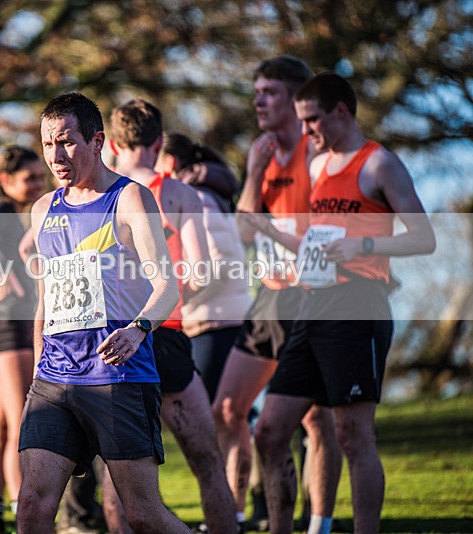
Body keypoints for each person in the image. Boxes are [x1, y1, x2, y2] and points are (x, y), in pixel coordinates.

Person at [252, 72, 435, 534]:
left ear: (341, 111)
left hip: (358, 304)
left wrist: (367, 249)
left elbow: (424, 237)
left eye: (312, 120)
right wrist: (272, 231)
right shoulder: (316, 166)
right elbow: (322, 241)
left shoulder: (380, 165)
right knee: (270, 432)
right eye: (301, 121)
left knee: (353, 435)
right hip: (312, 304)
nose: (307, 131)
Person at [16, 92, 189, 534]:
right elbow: (46, 298)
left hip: (118, 375)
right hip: (55, 379)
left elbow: (167, 285)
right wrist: (39, 365)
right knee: (32, 506)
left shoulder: (130, 199)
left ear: (97, 141)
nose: (56, 155)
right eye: (47, 143)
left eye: (66, 142)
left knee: (142, 515)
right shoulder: (42, 211)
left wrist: (139, 330)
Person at [210, 56, 343, 532]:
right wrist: (252, 173)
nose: (258, 101)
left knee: (315, 422)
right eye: (256, 92)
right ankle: (238, 515)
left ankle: (319, 523)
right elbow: (245, 231)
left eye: (268, 92)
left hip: (313, 297)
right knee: (226, 410)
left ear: (294, 98)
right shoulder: (262, 151)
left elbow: (326, 236)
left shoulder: (318, 152)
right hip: (269, 295)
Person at [105, 99, 236, 533]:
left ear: (112, 142)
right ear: (159, 141)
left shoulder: (98, 195)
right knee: (207, 462)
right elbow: (200, 269)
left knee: (117, 477)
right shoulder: (178, 193)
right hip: (165, 333)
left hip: (114, 342)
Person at [0, 146, 46, 533]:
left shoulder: (7, 212)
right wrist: (28, 287)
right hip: (8, 324)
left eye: (40, 177)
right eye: (29, 178)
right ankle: (22, 506)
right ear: (6, 181)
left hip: (0, 323)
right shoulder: (2, 213)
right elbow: (6, 262)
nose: (38, 184)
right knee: (23, 420)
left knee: (3, 423)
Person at [156, 132, 251, 403]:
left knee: (211, 418)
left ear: (170, 163)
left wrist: (178, 296)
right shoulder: (203, 196)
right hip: (219, 318)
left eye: (156, 162)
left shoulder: (197, 200)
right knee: (227, 418)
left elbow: (221, 263)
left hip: (215, 323)